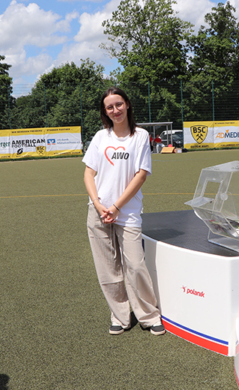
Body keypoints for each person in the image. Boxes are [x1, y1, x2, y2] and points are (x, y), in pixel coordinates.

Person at [83, 87, 165, 336]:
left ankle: (149, 315)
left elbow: (141, 175)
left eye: (118, 104)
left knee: (135, 265)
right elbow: (88, 173)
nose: (115, 110)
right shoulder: (101, 137)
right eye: (109, 107)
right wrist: (98, 204)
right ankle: (120, 316)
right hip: (99, 212)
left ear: (127, 104)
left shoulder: (140, 136)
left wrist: (117, 206)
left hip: (126, 212)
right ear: (104, 111)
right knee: (108, 268)